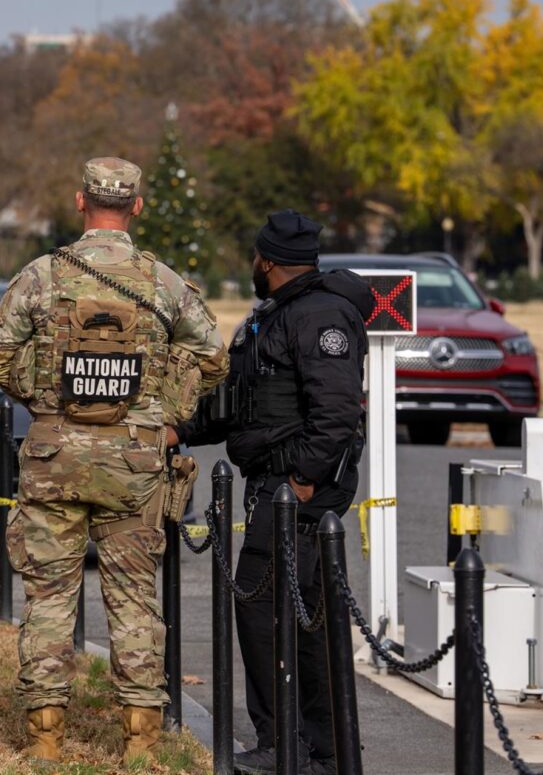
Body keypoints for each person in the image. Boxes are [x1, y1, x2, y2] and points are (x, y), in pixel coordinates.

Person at [0, 157, 229, 764]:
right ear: (137, 207)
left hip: (53, 458)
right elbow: (213, 356)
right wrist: (165, 412)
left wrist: (44, 398)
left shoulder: (42, 276)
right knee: (133, 599)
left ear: (80, 202)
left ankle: (44, 738)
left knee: (48, 599)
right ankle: (141, 744)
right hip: (134, 463)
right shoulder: (163, 283)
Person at [180, 209, 374, 775]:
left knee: (277, 614)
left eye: (254, 258)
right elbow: (239, 402)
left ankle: (296, 744)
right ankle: (309, 746)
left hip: (299, 497)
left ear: (266, 260)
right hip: (275, 488)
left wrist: (302, 483)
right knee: (290, 618)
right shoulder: (275, 316)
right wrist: (181, 430)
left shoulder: (320, 316)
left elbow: (337, 414)